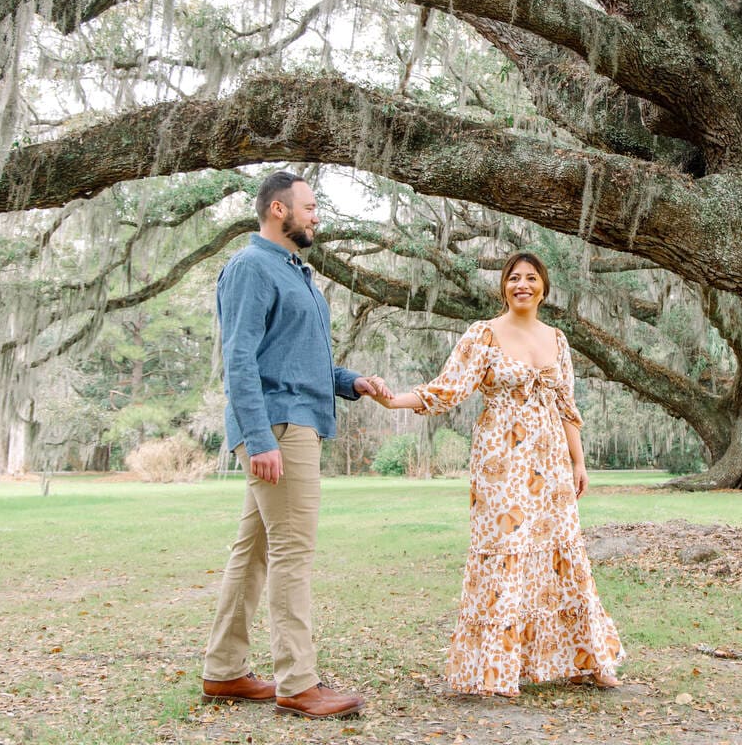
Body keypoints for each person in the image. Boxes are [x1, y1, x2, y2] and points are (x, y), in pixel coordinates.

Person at [371, 252, 623, 697]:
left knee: (562, 551)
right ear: (503, 286)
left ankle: (589, 660)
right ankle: (497, 668)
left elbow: (567, 406)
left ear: (544, 287)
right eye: (513, 278)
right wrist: (395, 401)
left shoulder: (558, 340)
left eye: (530, 278)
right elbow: (447, 389)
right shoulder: (482, 335)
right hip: (501, 459)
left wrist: (578, 461)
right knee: (507, 549)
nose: (521, 285)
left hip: (551, 462)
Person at [200, 171, 390, 719]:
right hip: (277, 429)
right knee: (292, 554)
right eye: (309, 207)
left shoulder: (294, 272)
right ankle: (298, 683)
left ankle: (224, 670)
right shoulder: (250, 268)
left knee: (254, 552)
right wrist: (258, 437)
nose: (316, 216)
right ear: (278, 210)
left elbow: (294, 361)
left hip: (292, 421)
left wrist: (349, 380)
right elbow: (239, 361)